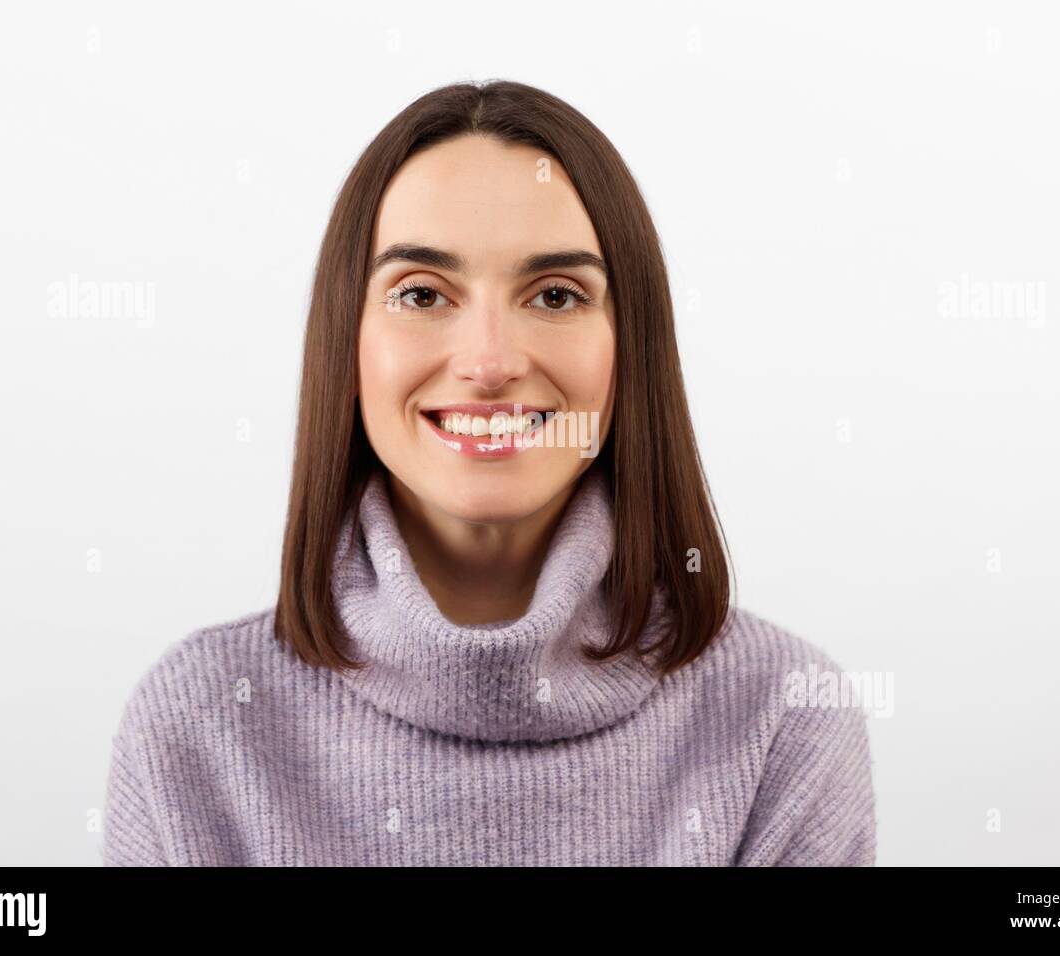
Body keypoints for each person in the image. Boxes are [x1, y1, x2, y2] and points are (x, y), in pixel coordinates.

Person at [101, 79, 876, 866]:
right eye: (422, 293)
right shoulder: (197, 724)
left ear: (630, 351)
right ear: (348, 346)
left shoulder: (782, 720)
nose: (489, 364)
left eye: (555, 294)